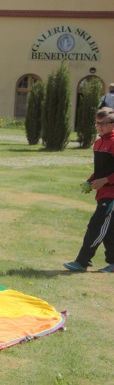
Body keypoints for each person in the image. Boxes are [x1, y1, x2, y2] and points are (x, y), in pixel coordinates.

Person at [64, 108, 114, 274]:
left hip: (111, 194)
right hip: (102, 192)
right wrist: (90, 181)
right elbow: (100, 170)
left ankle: (82, 261)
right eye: (97, 123)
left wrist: (106, 181)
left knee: (96, 225)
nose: (99, 127)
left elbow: (106, 176)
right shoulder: (98, 142)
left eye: (104, 123)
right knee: (108, 229)